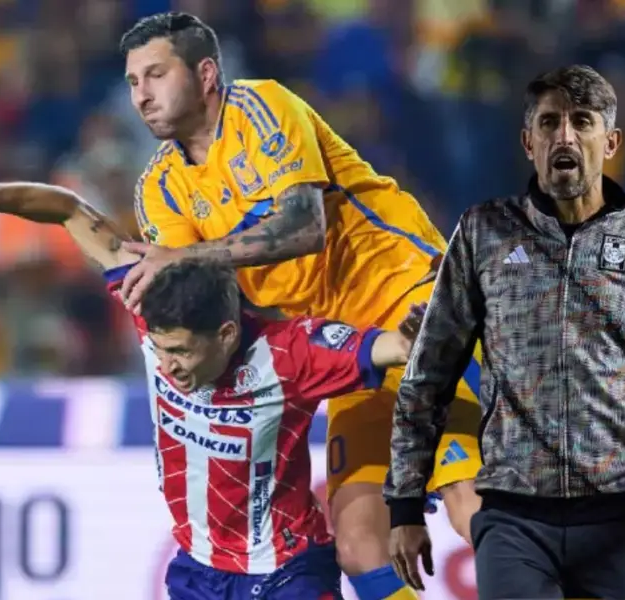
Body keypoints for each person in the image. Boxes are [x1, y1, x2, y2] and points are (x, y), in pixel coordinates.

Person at [0, 164, 427, 599]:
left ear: (227, 334)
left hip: (287, 572)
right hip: (198, 571)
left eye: (181, 351)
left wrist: (413, 331)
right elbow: (69, 209)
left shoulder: (292, 353)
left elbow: (392, 347)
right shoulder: (147, 304)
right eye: (161, 350)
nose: (170, 366)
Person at [115, 12, 483, 597]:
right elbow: (196, 298)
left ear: (206, 74)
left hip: (409, 297)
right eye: (133, 81)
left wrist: (188, 259)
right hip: (346, 346)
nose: (141, 95)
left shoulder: (260, 108)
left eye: (156, 75)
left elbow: (304, 225)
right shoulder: (160, 188)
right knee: (361, 545)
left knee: (466, 496)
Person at [383, 65, 625, 599]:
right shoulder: (484, 235)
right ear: (528, 143)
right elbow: (427, 376)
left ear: (612, 141)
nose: (565, 136)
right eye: (549, 123)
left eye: (582, 121)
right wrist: (405, 505)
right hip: (513, 516)